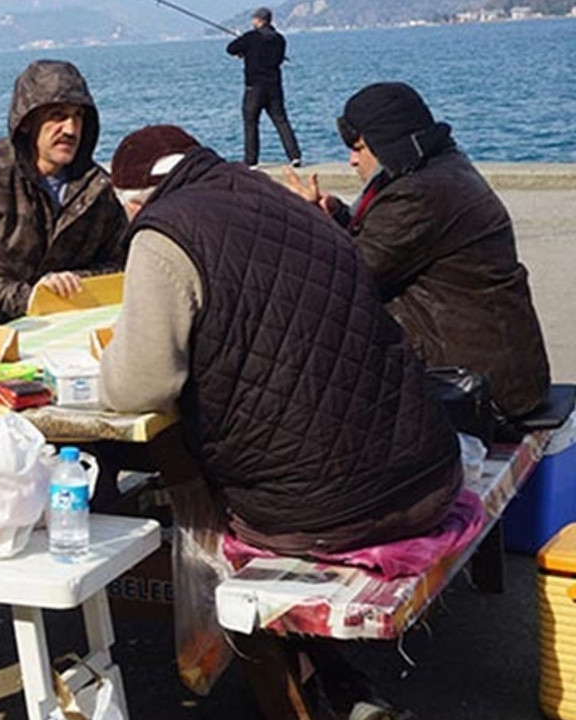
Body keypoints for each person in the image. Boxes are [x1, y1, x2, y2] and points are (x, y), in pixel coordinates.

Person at [102, 125, 462, 719]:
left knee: (217, 496)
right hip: (425, 469)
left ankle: (304, 682)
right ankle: (337, 680)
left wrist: (110, 356)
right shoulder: (272, 195)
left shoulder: (165, 235)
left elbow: (138, 386)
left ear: (136, 201)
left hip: (325, 511)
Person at [284, 82, 551, 418]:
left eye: (359, 147)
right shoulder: (440, 169)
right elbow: (384, 245)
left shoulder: (419, 194)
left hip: (475, 386)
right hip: (499, 369)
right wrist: (334, 215)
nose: (352, 160)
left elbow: (350, 277)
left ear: (385, 143)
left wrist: (300, 225)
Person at [0, 59, 128, 324]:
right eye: (57, 115)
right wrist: (30, 298)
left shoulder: (99, 189)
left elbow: (119, 264)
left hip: (57, 325)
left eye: (78, 117)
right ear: (26, 122)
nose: (70, 129)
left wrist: (70, 285)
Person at [226, 7, 301, 168]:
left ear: (258, 20)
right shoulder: (280, 39)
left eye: (253, 19)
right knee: (281, 121)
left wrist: (244, 52)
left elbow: (230, 48)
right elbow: (277, 59)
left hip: (254, 87)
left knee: (251, 122)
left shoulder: (251, 37)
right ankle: (294, 156)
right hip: (274, 87)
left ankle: (251, 161)